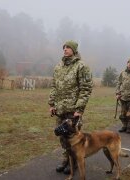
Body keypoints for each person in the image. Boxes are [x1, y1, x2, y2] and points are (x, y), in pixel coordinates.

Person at [48, 40, 93, 174]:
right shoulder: (58, 67)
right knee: (62, 138)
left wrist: (79, 109)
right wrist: (52, 104)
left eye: (68, 47)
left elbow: (86, 88)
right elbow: (54, 86)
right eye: (64, 47)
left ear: (74, 50)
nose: (65, 49)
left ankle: (74, 163)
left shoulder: (81, 66)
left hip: (73, 111)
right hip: (60, 109)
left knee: (74, 139)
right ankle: (66, 159)